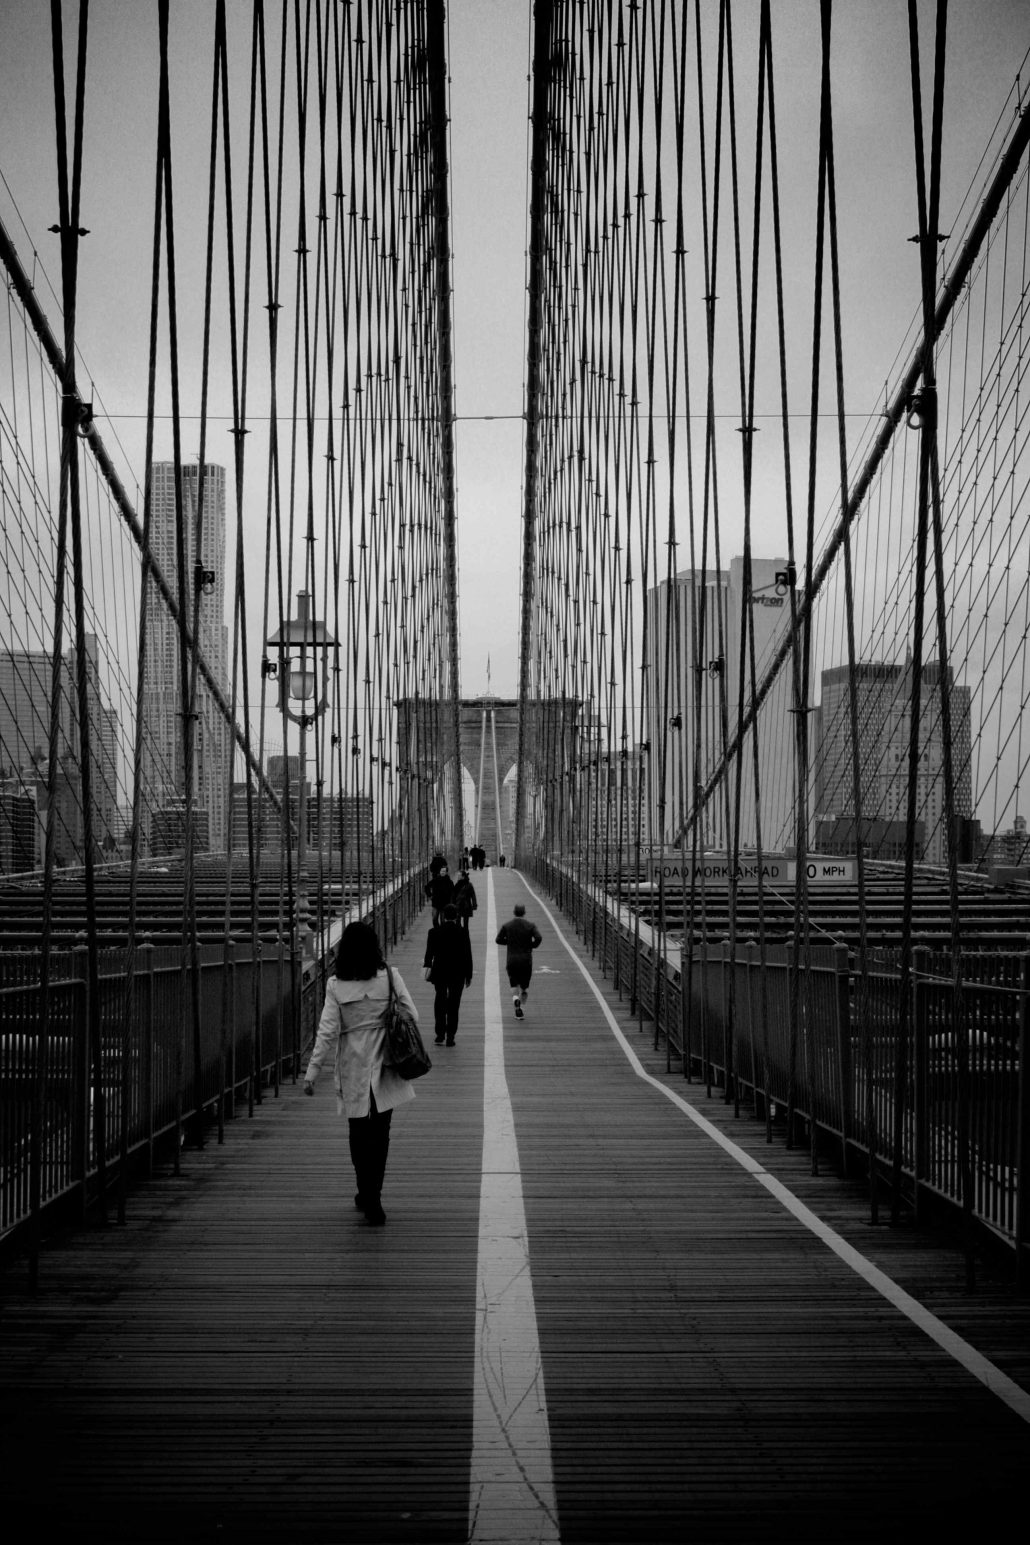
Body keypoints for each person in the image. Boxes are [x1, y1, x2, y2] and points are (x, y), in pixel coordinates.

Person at [303, 919, 417, 1226]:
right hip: (386, 1064)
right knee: (380, 1134)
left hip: (352, 1065)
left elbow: (326, 1031)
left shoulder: (336, 985)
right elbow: (412, 1013)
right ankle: (374, 1197)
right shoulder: (390, 978)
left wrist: (312, 1073)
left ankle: (364, 1190)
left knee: (358, 1132)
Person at [422, 902, 473, 1046]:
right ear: (457, 916)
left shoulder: (434, 932)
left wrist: (427, 968)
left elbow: (428, 955)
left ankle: (439, 1034)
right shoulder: (462, 932)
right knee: (454, 1004)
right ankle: (451, 1036)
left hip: (440, 972)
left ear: (443, 916)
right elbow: (467, 955)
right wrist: (468, 975)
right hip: (458, 973)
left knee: (440, 1001)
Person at [495, 901, 542, 1019]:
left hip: (512, 960)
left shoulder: (507, 925)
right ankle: (523, 997)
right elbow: (538, 937)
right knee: (524, 985)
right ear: (524, 912)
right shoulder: (531, 925)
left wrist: (509, 942)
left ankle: (516, 1003)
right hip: (526, 960)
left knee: (513, 983)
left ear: (514, 912)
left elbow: (498, 939)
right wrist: (532, 945)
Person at [426, 856, 455, 923]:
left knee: (437, 919)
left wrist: (430, 896)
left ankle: (439, 931)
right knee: (437, 919)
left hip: (443, 903)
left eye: (444, 871)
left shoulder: (448, 882)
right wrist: (430, 895)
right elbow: (427, 887)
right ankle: (438, 931)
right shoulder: (436, 880)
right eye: (442, 871)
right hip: (437, 902)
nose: (442, 872)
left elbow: (453, 892)